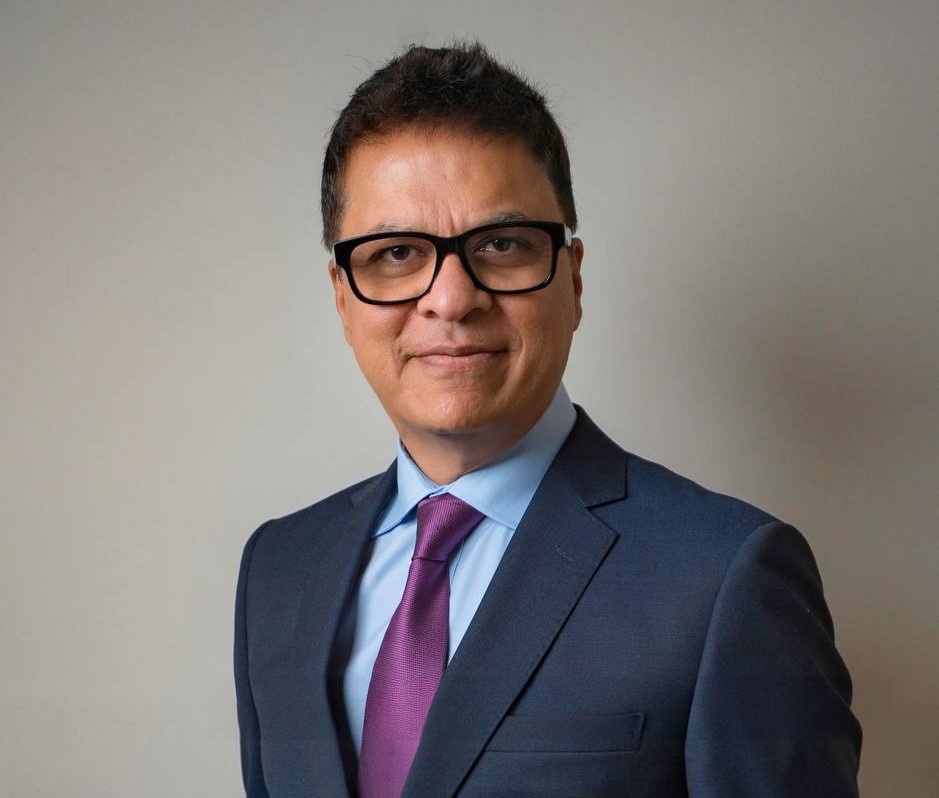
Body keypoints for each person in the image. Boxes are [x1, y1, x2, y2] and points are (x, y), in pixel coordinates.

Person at [234, 42, 861, 798]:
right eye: (396, 253)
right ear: (342, 296)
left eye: (501, 245)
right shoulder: (279, 568)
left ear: (572, 277)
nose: (451, 298)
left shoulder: (725, 576)